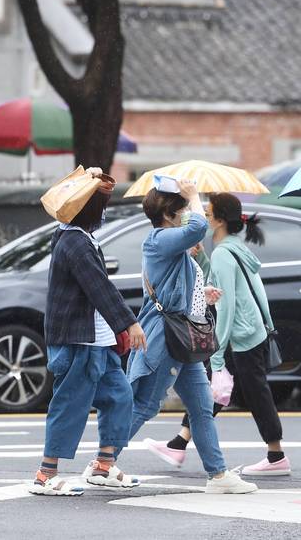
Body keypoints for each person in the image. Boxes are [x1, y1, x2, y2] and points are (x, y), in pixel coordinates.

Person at [123, 180, 258, 494]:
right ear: (170, 215)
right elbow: (198, 228)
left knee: (201, 406)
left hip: (184, 338)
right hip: (168, 338)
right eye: (181, 209)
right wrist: (194, 197)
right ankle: (104, 459)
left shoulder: (171, 246)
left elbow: (180, 287)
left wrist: (203, 294)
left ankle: (218, 474)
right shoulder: (158, 240)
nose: (188, 213)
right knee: (145, 406)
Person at [144, 192, 289, 476]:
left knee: (245, 392)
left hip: (240, 335)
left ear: (220, 220)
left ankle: (276, 456)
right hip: (250, 331)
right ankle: (179, 443)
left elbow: (227, 305)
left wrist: (218, 353)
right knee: (214, 391)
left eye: (209, 214)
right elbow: (234, 286)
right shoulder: (233, 248)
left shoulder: (225, 252)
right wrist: (204, 260)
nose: (205, 217)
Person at [29, 167, 147, 497]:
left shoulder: (76, 236)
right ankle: (45, 475)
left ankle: (103, 466)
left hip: (97, 340)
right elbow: (100, 288)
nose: (105, 213)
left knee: (119, 397)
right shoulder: (74, 242)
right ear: (91, 211)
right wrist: (130, 323)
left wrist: (89, 175)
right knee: (70, 406)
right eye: (102, 206)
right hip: (78, 341)